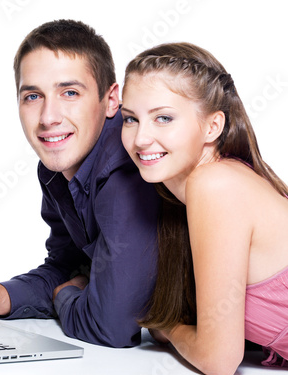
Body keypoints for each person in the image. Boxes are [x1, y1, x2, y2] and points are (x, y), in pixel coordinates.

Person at [0, 19, 160, 348]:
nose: (48, 117)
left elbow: (112, 327)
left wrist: (64, 294)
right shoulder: (56, 169)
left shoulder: (125, 171)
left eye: (69, 92)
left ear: (111, 101)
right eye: (33, 96)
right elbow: (65, 266)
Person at [120, 42, 288, 373]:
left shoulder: (215, 184)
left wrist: (168, 327)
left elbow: (218, 360)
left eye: (163, 118)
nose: (140, 139)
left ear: (212, 126)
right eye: (130, 119)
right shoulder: (210, 184)